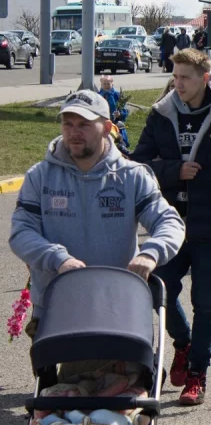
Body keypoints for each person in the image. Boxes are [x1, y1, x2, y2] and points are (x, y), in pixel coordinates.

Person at [131, 48, 211, 406]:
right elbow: (139, 165)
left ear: (204, 79)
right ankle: (182, 343)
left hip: (210, 225)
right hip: (168, 224)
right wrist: (174, 171)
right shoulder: (161, 115)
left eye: (185, 77)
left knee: (206, 301)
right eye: (175, 76)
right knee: (162, 290)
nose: (178, 84)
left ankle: (198, 374)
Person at [9, 90, 185, 336]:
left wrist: (150, 253)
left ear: (106, 127)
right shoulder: (40, 176)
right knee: (58, 374)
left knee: (128, 374)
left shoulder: (131, 176)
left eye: (84, 124)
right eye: (67, 124)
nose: (74, 132)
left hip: (119, 304)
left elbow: (169, 221)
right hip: (57, 303)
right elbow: (21, 232)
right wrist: (58, 259)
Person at [98, 75, 129, 148]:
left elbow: (124, 110)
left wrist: (120, 114)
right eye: (104, 84)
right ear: (101, 84)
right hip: (103, 121)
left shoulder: (117, 95)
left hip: (116, 121)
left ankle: (121, 146)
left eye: (108, 83)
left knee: (120, 127)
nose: (106, 86)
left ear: (112, 84)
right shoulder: (98, 96)